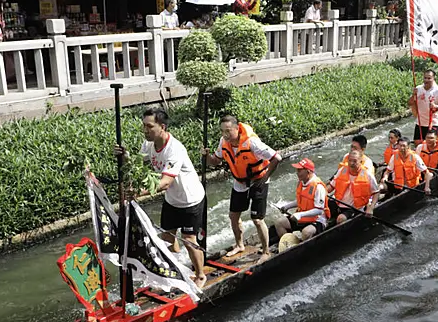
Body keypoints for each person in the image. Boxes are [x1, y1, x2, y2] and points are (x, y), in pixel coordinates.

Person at [134, 108, 207, 286]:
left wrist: (138, 193)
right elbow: (137, 163)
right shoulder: (148, 144)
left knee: (189, 241)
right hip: (172, 200)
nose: (145, 130)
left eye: (150, 126)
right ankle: (178, 268)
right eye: (144, 126)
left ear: (162, 127)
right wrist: (124, 156)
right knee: (167, 238)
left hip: (190, 200)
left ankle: (200, 275)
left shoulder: (175, 149)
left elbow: (165, 182)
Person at [205, 115, 281, 261]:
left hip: (259, 180)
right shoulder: (224, 142)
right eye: (222, 131)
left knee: (257, 219)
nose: (225, 135)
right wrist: (207, 156)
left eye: (228, 131)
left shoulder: (252, 143)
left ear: (237, 129)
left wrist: (265, 178)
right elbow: (215, 161)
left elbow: (276, 158)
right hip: (240, 182)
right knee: (233, 216)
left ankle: (266, 252)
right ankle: (239, 245)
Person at [274, 158, 329, 241]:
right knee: (279, 223)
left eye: (299, 170)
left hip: (317, 220)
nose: (297, 173)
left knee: (306, 232)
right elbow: (301, 201)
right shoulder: (301, 182)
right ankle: (289, 243)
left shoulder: (318, 186)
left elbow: (319, 210)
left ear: (308, 171)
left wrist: (300, 215)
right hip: (303, 218)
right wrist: (287, 206)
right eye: (297, 170)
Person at [327, 150, 379, 224]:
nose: (351, 163)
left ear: (360, 161)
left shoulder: (368, 175)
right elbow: (331, 186)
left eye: (354, 161)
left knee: (340, 219)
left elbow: (376, 193)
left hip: (354, 208)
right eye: (350, 160)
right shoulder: (342, 170)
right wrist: (323, 192)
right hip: (338, 203)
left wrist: (371, 208)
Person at [408, 69, 438, 143]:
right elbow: (410, 103)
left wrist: (436, 106)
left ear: (433, 79)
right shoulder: (418, 88)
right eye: (425, 78)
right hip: (420, 122)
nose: (426, 80)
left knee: (430, 144)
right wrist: (413, 95)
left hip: (433, 122)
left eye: (429, 78)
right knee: (417, 143)